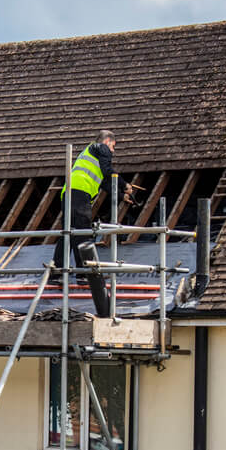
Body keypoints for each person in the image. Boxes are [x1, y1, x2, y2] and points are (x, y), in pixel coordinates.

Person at [52, 130, 130, 317]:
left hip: (70, 193)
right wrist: (125, 184)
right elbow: (108, 172)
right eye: (113, 146)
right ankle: (83, 274)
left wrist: (121, 196)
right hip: (79, 195)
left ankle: (57, 272)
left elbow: (104, 182)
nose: (112, 151)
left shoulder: (90, 156)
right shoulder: (99, 147)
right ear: (108, 141)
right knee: (82, 233)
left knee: (68, 233)